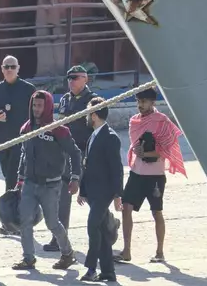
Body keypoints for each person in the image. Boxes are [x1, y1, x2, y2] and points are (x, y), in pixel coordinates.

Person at [12, 90, 82, 271]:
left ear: (48, 106)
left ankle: (67, 253)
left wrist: (75, 178)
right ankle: (28, 258)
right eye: (34, 105)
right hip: (29, 183)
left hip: (51, 184)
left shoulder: (59, 130)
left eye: (40, 105)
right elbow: (24, 155)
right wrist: (20, 180)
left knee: (52, 223)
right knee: (25, 221)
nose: (36, 109)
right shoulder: (26, 129)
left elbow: (75, 153)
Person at [113, 87, 186, 263]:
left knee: (156, 212)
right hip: (136, 173)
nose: (140, 105)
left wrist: (148, 153)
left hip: (155, 176)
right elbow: (135, 146)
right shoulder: (134, 121)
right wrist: (143, 152)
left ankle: (160, 252)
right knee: (126, 208)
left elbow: (166, 148)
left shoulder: (162, 121)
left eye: (144, 101)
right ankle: (127, 251)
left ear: (153, 102)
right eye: (138, 101)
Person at [44, 65, 98, 252]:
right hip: (66, 154)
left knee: (92, 196)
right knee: (62, 197)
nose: (71, 81)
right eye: (69, 78)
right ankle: (59, 237)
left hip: (85, 154)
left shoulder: (93, 100)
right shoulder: (65, 99)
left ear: (86, 79)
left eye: (75, 77)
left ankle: (109, 227)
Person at [0, 55, 36, 235]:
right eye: (6, 66)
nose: (9, 69)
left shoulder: (29, 90)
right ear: (1, 68)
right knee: (9, 178)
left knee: (15, 181)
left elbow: (38, 115)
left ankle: (14, 222)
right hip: (3, 141)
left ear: (18, 68)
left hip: (23, 141)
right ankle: (12, 221)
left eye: (12, 66)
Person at [78, 97, 123, 282]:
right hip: (93, 193)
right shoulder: (93, 135)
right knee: (103, 232)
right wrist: (83, 190)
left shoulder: (110, 137)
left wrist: (118, 195)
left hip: (104, 193)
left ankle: (91, 268)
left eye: (89, 114)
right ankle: (108, 272)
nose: (86, 117)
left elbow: (117, 168)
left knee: (92, 226)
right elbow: (87, 166)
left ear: (95, 115)